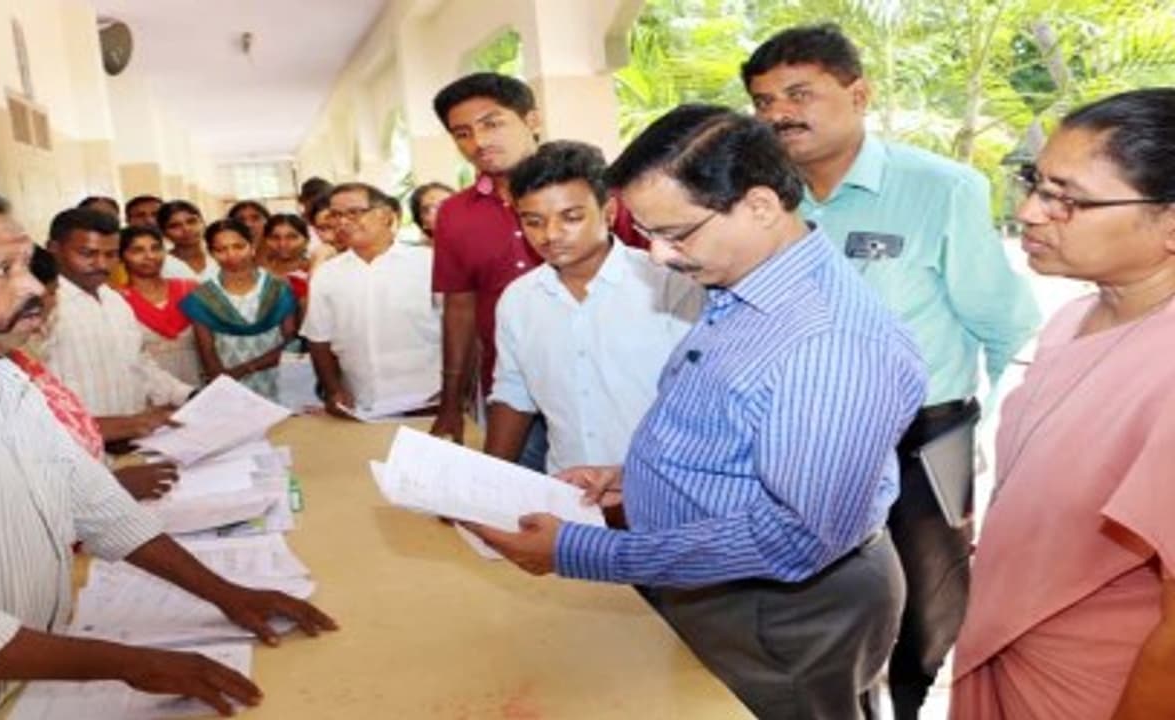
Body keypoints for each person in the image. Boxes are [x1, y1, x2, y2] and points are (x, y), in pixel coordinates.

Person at [466, 106, 926, 720]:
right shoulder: (744, 289)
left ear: (760, 206)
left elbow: (795, 536)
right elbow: (736, 430)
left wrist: (582, 551)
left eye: (677, 234)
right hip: (727, 584)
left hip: (781, 608)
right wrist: (634, 478)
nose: (658, 256)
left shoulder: (829, 341)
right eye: (649, 234)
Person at [0, 191, 336, 718]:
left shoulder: (1, 373)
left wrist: (226, 593)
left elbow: (94, 501)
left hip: (27, 669)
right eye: (2, 270)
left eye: (27, 266)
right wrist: (132, 664)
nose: (33, 286)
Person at [741, 24, 1041, 717]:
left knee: (926, 616)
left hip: (923, 440)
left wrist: (996, 447)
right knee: (824, 605)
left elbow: (1008, 327)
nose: (779, 113)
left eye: (799, 93)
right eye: (763, 101)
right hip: (803, 438)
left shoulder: (940, 189)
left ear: (859, 94)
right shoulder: (759, 200)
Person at [951, 89, 1175, 720]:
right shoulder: (1074, 317)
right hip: (1013, 647)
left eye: (1066, 199)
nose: (1029, 212)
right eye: (1035, 184)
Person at [428, 72, 645, 471]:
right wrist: (451, 403)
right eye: (462, 133)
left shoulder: (605, 190)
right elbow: (459, 308)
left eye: (492, 123)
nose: (479, 141)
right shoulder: (456, 214)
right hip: (518, 391)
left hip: (619, 386)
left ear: (532, 120)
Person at [485, 141, 700, 475]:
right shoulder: (519, 299)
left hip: (661, 487)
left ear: (609, 212)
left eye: (571, 217)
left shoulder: (669, 285)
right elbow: (513, 392)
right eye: (533, 221)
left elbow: (700, 400)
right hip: (565, 488)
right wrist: (486, 478)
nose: (550, 234)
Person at [16, 244, 179, 501]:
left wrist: (136, 424)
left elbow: (67, 423)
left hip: (102, 468)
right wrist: (111, 484)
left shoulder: (114, 300)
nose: (51, 306)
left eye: (52, 294)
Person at [41, 209, 194, 445]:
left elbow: (139, 364)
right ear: (53, 249)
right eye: (87, 254)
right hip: (75, 445)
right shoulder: (43, 306)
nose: (102, 264)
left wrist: (186, 395)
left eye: (111, 254)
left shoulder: (115, 300)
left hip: (132, 441)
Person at [301, 183, 441, 416]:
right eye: (336, 215)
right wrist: (334, 390)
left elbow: (461, 331)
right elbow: (318, 339)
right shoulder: (327, 274)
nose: (343, 222)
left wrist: (454, 392)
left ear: (386, 215)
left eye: (354, 212)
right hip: (360, 403)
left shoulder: (429, 263)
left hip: (428, 400)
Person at [181, 219, 298, 400]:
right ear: (211, 253)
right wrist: (222, 383)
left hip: (278, 378)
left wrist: (244, 369)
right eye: (221, 250)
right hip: (228, 384)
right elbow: (207, 351)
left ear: (251, 247)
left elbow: (291, 342)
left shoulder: (277, 287)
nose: (231, 255)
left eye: (239, 246)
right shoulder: (203, 296)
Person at [117, 225, 202, 387]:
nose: (149, 256)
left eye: (156, 248)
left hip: (198, 385)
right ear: (121, 257)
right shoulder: (117, 301)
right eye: (137, 250)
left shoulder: (190, 289)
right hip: (147, 390)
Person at [157, 200, 219, 282]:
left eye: (191, 221)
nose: (186, 229)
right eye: (175, 226)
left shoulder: (220, 255)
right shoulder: (160, 264)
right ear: (163, 233)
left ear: (203, 223)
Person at [260, 213, 313, 302]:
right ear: (265, 240)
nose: (282, 244)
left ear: (306, 240)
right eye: (275, 237)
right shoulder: (258, 273)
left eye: (292, 237)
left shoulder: (316, 270)